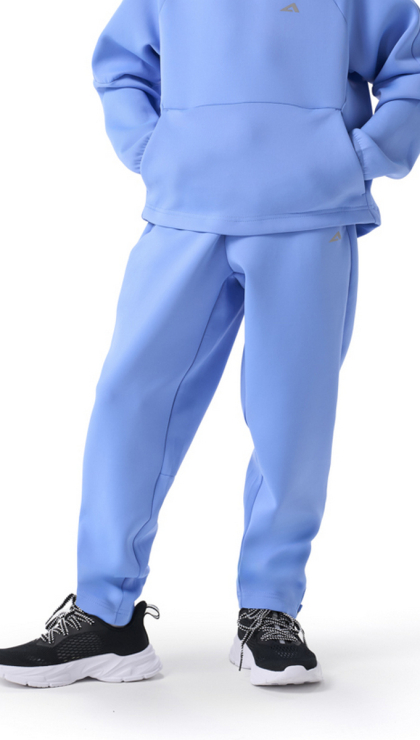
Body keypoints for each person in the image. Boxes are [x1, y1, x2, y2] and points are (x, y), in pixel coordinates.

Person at [1, 0, 420, 689]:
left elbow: (410, 65)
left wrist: (358, 159)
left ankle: (269, 613)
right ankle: (106, 616)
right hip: (185, 212)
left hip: (307, 216)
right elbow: (121, 63)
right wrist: (155, 152)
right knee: (129, 399)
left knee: (291, 420)